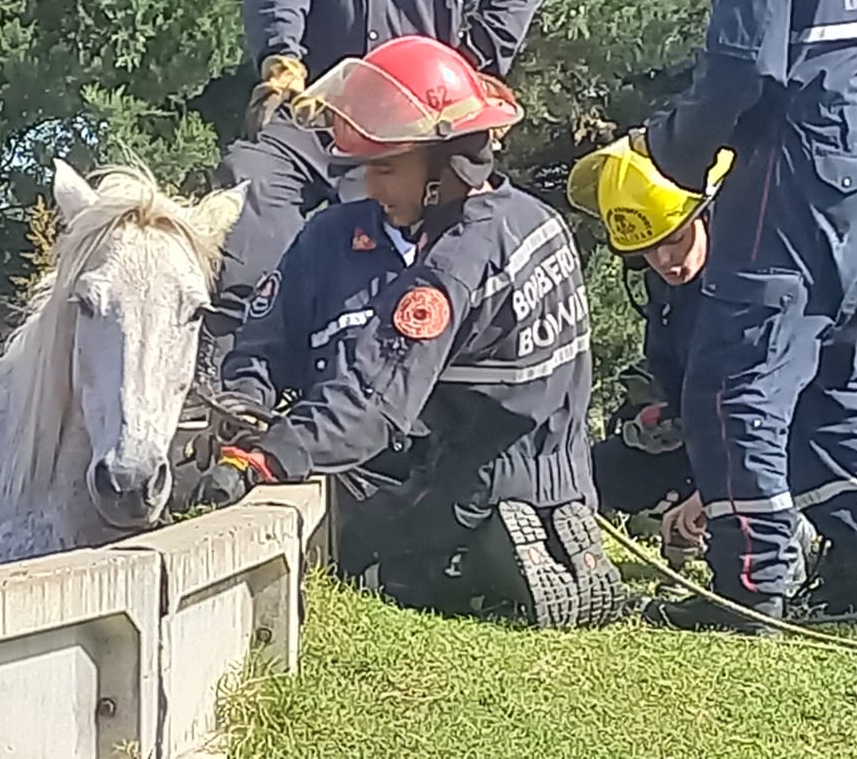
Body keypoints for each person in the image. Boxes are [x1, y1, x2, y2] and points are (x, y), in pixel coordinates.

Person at [185, 35, 630, 630]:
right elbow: (266, 346)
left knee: (361, 550)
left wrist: (263, 456)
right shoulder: (538, 224)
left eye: (387, 167)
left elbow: (371, 403)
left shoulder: (450, 267)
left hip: (456, 475)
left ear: (447, 163)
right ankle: (547, 526)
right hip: (561, 468)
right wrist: (242, 410)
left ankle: (469, 564)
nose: (372, 186)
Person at [612, 0, 857, 633]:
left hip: (798, 157)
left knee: (733, 372)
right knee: (830, 366)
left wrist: (671, 147)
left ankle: (749, 583)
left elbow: (743, 65)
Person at [197, 0, 550, 385]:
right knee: (252, 184)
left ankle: (365, 389)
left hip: (409, 133)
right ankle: (235, 370)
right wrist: (281, 61)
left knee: (380, 242)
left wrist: (472, 65)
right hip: (317, 112)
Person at [565, 137, 818, 591]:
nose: (665, 260)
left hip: (775, 450)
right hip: (701, 443)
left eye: (676, 240)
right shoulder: (666, 291)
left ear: (706, 216)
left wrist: (708, 496)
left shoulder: (748, 288)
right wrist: (658, 420)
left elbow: (768, 413)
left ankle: (784, 542)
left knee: (740, 487)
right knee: (593, 470)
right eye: (648, 249)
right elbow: (674, 375)